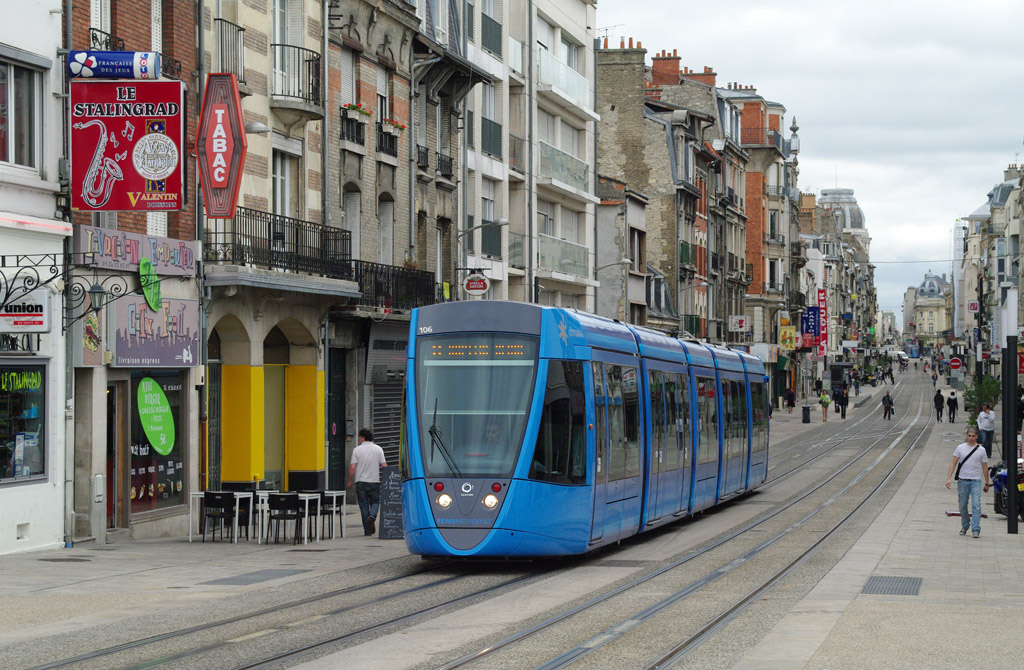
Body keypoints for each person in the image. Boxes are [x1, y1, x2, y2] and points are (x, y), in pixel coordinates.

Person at [945, 427, 990, 537]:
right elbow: (953, 463)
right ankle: (965, 525)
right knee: (962, 505)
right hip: (962, 480)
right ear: (966, 436)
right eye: (969, 436)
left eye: (973, 436)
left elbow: (985, 467)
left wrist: (987, 483)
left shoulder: (981, 450)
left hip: (975, 481)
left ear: (976, 436)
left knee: (976, 505)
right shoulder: (960, 448)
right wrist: (948, 478)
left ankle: (975, 529)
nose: (971, 438)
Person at [348, 428, 388, 536]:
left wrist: (350, 480)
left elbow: (352, 467)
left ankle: (367, 530)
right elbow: (384, 465)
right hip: (374, 481)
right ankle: (372, 516)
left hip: (360, 482)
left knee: (363, 506)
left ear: (362, 437)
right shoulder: (378, 449)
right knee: (375, 502)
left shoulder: (357, 450)